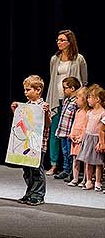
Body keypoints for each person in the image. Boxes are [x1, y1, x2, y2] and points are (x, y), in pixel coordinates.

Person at [45, 29, 88, 176]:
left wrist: (80, 99)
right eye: (58, 40)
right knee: (55, 131)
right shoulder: (54, 59)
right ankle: (53, 164)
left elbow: (84, 80)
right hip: (56, 99)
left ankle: (70, 167)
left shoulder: (79, 59)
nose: (59, 42)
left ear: (70, 42)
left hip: (73, 101)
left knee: (71, 133)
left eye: (62, 40)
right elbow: (52, 79)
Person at [11, 75, 51, 206]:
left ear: (38, 90)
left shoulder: (43, 106)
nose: (25, 92)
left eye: (28, 90)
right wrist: (15, 111)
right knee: (27, 170)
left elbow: (48, 124)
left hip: (38, 145)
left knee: (36, 170)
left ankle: (38, 195)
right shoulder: (26, 105)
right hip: (26, 144)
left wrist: (46, 113)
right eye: (25, 90)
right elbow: (22, 122)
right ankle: (30, 192)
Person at [76, 84, 105, 191]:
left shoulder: (103, 113)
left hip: (97, 139)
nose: (87, 99)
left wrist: (100, 142)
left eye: (89, 97)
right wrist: (82, 137)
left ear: (97, 99)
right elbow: (86, 126)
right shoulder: (89, 112)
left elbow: (102, 129)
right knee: (87, 161)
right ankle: (88, 181)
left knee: (97, 162)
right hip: (88, 138)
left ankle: (97, 181)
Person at [53, 77, 81, 180]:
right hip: (63, 131)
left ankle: (72, 172)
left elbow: (77, 118)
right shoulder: (66, 100)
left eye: (65, 88)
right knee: (64, 152)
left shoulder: (76, 102)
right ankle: (66, 169)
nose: (63, 90)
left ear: (72, 88)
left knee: (70, 152)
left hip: (70, 132)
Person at [67, 87, 89, 187]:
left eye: (77, 98)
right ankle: (75, 178)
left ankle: (84, 179)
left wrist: (81, 137)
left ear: (84, 99)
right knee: (75, 159)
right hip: (74, 137)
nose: (75, 100)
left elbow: (86, 127)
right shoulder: (78, 111)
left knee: (84, 160)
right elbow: (74, 123)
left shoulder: (87, 113)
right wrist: (71, 134)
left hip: (82, 138)